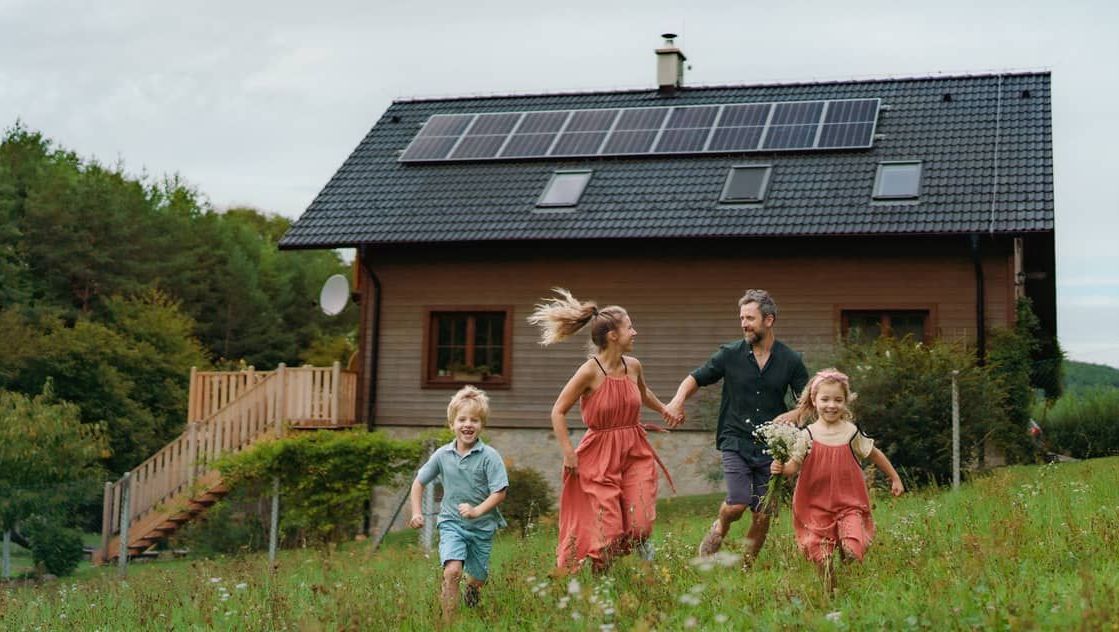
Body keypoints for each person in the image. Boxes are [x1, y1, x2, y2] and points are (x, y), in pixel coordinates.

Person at [527, 288, 676, 572]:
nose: (635, 332)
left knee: (640, 525)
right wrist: (569, 453)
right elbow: (558, 411)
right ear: (613, 336)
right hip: (599, 456)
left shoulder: (633, 366)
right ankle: (601, 584)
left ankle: (618, 561)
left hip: (635, 450)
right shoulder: (589, 371)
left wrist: (665, 409)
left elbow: (643, 394)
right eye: (630, 327)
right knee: (607, 533)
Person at [665, 289, 808, 567]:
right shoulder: (729, 354)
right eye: (742, 318)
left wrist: (795, 412)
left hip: (772, 445)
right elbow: (695, 377)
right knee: (738, 503)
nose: (744, 324)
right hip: (735, 439)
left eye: (750, 318)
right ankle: (721, 525)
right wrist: (677, 401)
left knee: (763, 512)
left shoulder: (791, 360)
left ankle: (746, 567)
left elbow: (808, 401)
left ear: (769, 320)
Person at [770, 368, 904, 592]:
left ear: (845, 402)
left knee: (852, 550)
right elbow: (792, 468)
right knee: (822, 558)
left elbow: (875, 454)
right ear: (814, 400)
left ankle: (851, 582)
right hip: (816, 505)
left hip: (849, 504)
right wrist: (780, 468)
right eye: (825, 399)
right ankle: (831, 592)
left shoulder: (851, 433)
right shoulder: (807, 435)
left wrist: (895, 478)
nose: (831, 405)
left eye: (838, 400)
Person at [409, 386, 508, 623]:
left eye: (474, 420)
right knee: (452, 571)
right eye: (462, 419)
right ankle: (448, 623)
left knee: (478, 578)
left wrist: (477, 511)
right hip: (452, 523)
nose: (468, 424)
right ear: (452, 423)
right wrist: (416, 512)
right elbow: (418, 483)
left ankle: (472, 592)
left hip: (482, 527)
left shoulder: (489, 456)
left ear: (481, 424)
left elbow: (500, 492)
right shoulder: (442, 455)